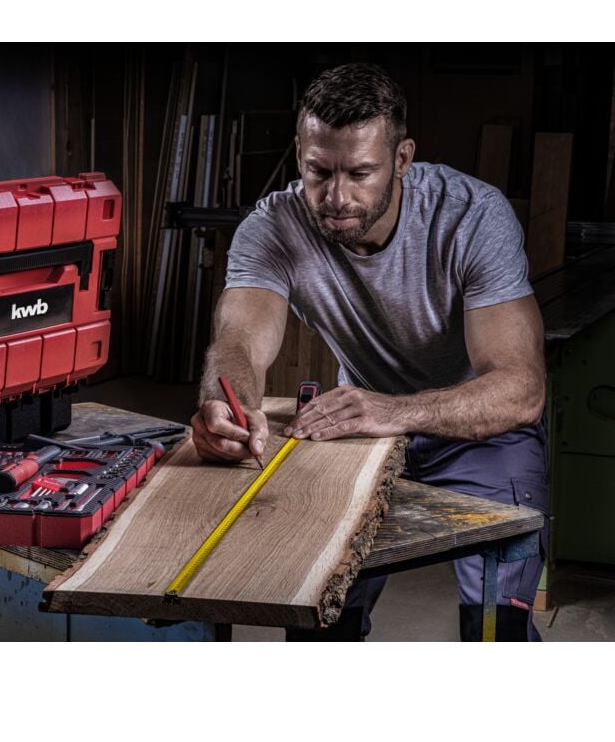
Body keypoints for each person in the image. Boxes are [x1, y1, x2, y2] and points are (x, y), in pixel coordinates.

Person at [190, 63, 549, 642]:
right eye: (318, 171)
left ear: (401, 158)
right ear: (300, 154)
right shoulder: (273, 227)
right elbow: (238, 343)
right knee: (319, 613)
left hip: (483, 429)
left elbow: (521, 390)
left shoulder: (472, 216)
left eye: (360, 173)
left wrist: (394, 410)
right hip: (362, 428)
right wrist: (225, 404)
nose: (336, 197)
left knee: (497, 631)